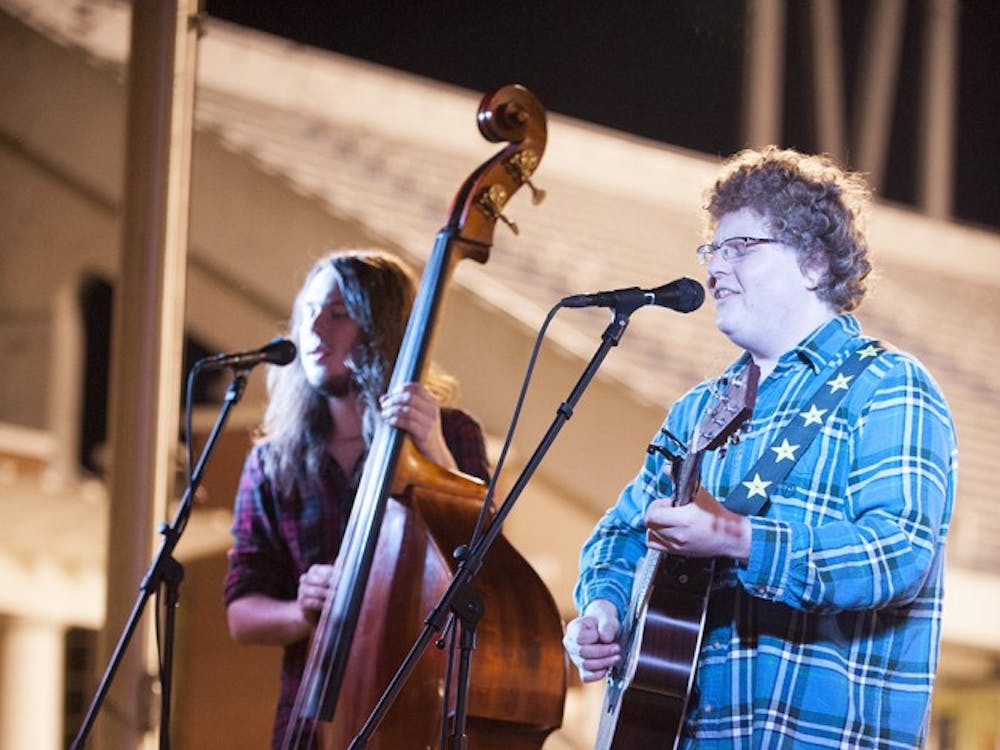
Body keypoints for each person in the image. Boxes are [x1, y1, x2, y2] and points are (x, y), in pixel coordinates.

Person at [563, 146, 957, 748]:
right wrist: (604, 609)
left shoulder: (888, 386)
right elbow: (621, 534)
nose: (715, 269)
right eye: (711, 250)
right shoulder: (697, 409)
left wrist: (738, 539)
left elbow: (898, 555)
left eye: (740, 247)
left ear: (815, 264)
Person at [223, 249, 490, 748]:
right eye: (308, 313)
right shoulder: (271, 461)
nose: (314, 331)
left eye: (339, 314)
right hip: (309, 722)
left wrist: (432, 450)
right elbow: (242, 613)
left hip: (417, 706)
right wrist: (301, 612)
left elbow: (487, 562)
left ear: (382, 328)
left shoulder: (450, 432)